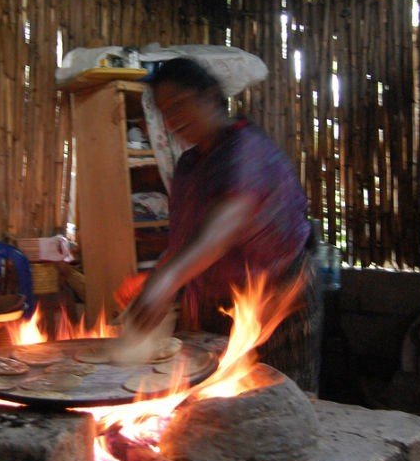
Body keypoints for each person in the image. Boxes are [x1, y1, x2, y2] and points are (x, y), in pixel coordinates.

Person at [126, 57, 320, 393]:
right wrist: (156, 277)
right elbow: (186, 238)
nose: (171, 120)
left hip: (276, 297)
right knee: (211, 397)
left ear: (211, 97)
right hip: (213, 302)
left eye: (179, 105)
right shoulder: (189, 164)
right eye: (162, 112)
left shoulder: (247, 150)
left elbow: (223, 227)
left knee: (279, 400)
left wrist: (168, 279)